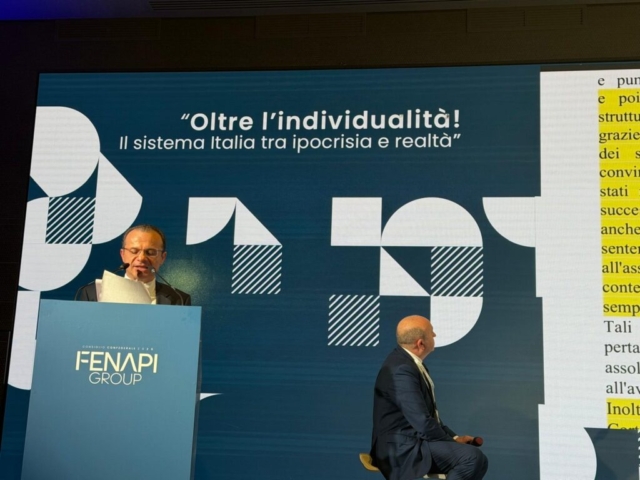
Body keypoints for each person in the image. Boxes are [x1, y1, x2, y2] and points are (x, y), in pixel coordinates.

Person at [370, 315, 487, 480]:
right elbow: (422, 422)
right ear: (421, 343)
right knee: (471, 458)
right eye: (432, 332)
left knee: (478, 459)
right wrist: (451, 443)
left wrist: (454, 438)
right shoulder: (402, 369)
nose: (435, 335)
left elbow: (429, 417)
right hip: (400, 449)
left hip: (414, 442)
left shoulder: (409, 364)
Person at [77, 224, 191, 305]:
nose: (141, 258)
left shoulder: (179, 300)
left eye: (150, 252)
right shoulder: (93, 293)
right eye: (134, 251)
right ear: (123, 255)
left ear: (163, 257)